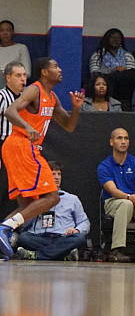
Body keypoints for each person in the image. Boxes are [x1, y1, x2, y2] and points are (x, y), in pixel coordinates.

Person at [0, 57, 85, 258]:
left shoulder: (52, 97)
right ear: (45, 72)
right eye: (55, 66)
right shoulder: (34, 90)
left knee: (28, 206)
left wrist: (76, 108)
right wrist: (27, 127)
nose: (60, 69)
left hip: (19, 148)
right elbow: (10, 111)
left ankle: (4, 229)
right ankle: (5, 229)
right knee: (52, 197)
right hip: (22, 145)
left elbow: (69, 126)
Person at [97, 127, 135, 263]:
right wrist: (129, 197)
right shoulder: (104, 166)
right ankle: (116, 249)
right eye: (119, 138)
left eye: (126, 138)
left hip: (134, 201)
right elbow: (112, 190)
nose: (123, 141)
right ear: (111, 142)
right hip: (113, 201)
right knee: (126, 203)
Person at [15, 161, 90, 261]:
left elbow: (84, 222)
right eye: (53, 174)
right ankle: (63, 254)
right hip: (39, 237)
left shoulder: (72, 199)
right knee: (23, 238)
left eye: (59, 174)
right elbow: (24, 225)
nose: (57, 177)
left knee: (79, 238)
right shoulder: (35, 200)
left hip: (62, 237)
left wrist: (77, 230)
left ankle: (36, 255)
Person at [87, 28, 135, 103]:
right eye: (112, 37)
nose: (115, 40)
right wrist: (113, 70)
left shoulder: (127, 55)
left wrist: (123, 71)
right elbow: (94, 73)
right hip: (106, 82)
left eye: (118, 38)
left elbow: (132, 73)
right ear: (106, 39)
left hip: (124, 85)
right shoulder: (98, 55)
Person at [0, 62, 27, 143]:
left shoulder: (26, 98)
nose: (23, 79)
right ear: (8, 78)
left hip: (22, 144)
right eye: (18, 75)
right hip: (4, 143)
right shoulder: (2, 96)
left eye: (24, 75)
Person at [0, 20, 31, 89]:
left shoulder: (21, 48)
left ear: (13, 32)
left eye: (8, 30)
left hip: (14, 82)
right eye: (2, 30)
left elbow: (27, 73)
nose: (5, 33)